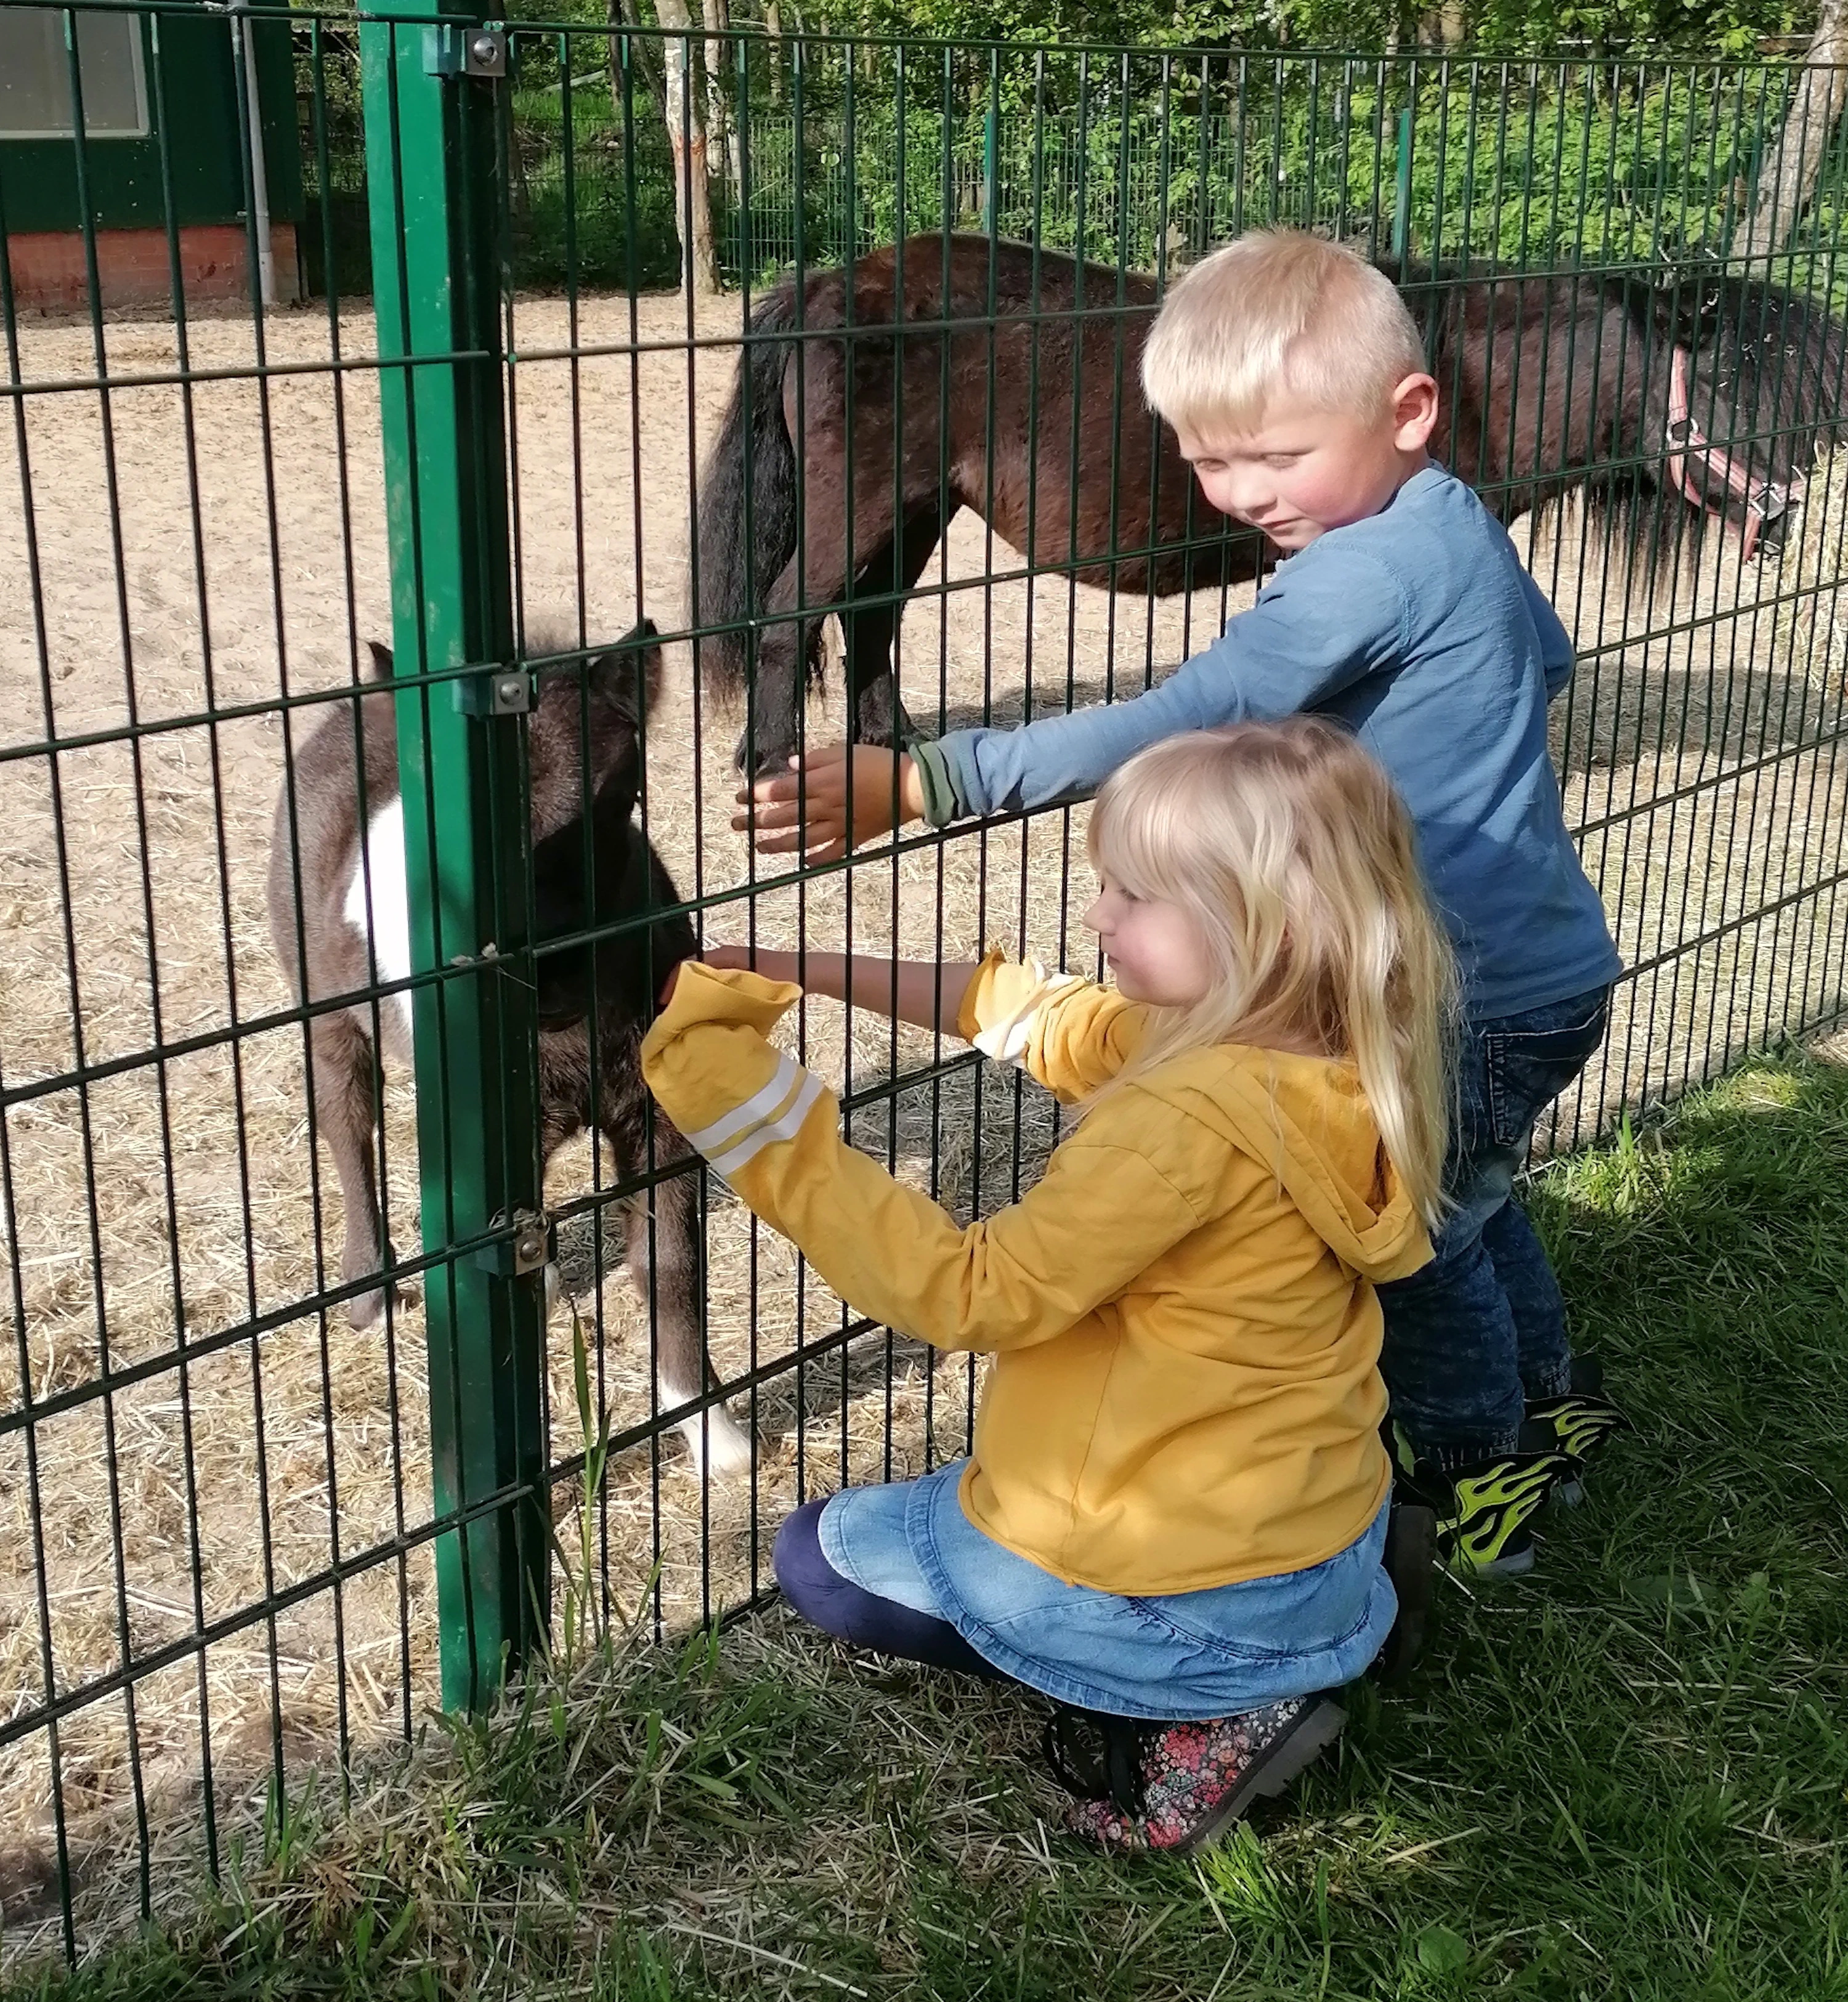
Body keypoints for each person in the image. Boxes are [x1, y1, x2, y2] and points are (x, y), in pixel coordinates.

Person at [732, 227, 1627, 1577]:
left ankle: (1471, 1473)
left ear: (1410, 410)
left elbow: (1190, 711)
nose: (1242, 493)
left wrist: (930, 778)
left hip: (1459, 983)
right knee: (1475, 1193)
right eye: (1211, 461)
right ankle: (1553, 1409)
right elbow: (1543, 662)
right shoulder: (1454, 520)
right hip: (1549, 963)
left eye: (1276, 456)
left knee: (1414, 1236)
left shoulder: (1362, 570)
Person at [644, 719, 1451, 1854]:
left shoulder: (1178, 1123)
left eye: (1133, 895)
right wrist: (793, 967)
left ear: (1260, 924)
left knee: (817, 1558)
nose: (1098, 916)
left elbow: (967, 1291)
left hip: (1185, 1585)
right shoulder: (1322, 1061)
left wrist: (744, 1109)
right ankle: (1326, 1614)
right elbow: (1043, 1016)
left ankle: (1212, 1705)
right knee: (931, 1517)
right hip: (1319, 1531)